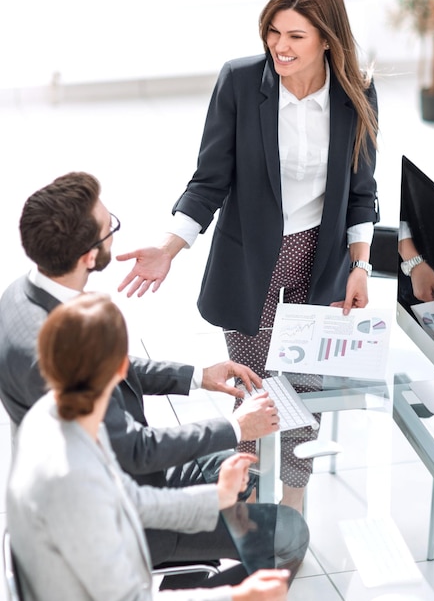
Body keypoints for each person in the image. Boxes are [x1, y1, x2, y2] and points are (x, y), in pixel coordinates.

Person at [117, 0, 379, 512]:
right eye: (272, 32)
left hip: (318, 257)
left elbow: (361, 189)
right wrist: (172, 246)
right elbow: (210, 179)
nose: (279, 46)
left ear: (327, 40)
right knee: (255, 391)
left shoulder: (358, 93)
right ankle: (247, 497)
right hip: (249, 260)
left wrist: (360, 264)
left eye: (295, 36)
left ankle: (294, 501)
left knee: (304, 389)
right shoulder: (240, 81)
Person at [0, 172, 309, 577]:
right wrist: (235, 425)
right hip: (122, 517)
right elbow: (134, 449)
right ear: (89, 257)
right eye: (110, 225)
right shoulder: (52, 352)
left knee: (245, 467)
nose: (114, 229)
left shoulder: (22, 297)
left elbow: (114, 368)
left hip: (122, 478)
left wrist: (199, 376)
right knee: (290, 531)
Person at [6, 292, 292, 601]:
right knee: (277, 553)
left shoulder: (56, 417)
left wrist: (217, 496)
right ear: (121, 368)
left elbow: (131, 500)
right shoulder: (73, 475)